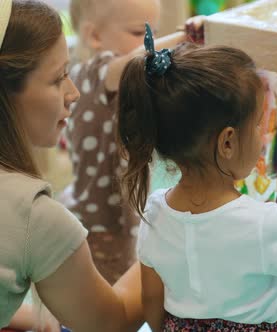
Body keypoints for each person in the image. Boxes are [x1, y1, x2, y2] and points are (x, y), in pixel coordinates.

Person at [118, 26, 277, 331]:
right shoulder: (258, 223)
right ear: (227, 142)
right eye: (258, 124)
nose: (262, 134)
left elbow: (151, 297)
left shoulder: (154, 213)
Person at [0, 1, 142, 330]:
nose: (74, 92)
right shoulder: (34, 216)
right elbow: (112, 322)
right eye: (57, 78)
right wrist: (172, 235)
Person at [63, 0, 203, 283]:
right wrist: (184, 36)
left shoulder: (111, 76)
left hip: (117, 211)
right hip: (101, 221)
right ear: (95, 36)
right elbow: (135, 61)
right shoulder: (92, 74)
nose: (151, 43)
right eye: (141, 33)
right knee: (108, 296)